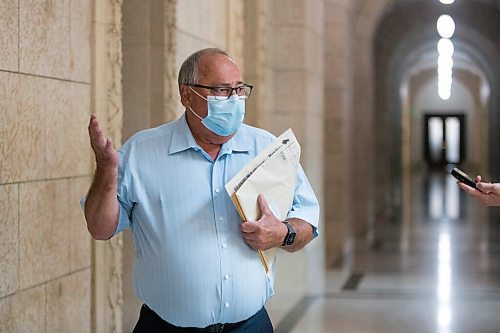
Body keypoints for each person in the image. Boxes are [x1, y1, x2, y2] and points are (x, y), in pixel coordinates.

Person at [82, 48, 320, 333]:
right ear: (186, 95)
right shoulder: (141, 153)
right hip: (164, 328)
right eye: (221, 90)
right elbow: (100, 228)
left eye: (239, 90)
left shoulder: (266, 149)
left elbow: (307, 223)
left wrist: (282, 233)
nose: (234, 100)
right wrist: (107, 172)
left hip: (250, 326)